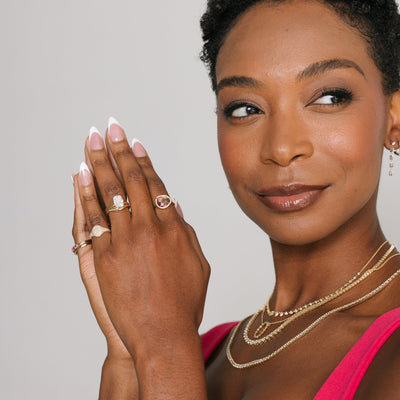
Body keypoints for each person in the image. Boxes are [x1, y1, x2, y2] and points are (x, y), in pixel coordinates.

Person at [71, 0, 400, 398]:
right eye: (246, 108)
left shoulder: (173, 349)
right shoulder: (206, 351)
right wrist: (129, 351)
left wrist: (164, 353)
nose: (281, 149)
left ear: (394, 116)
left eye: (329, 98)